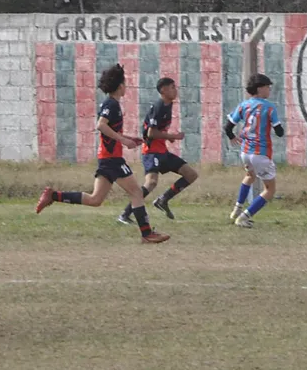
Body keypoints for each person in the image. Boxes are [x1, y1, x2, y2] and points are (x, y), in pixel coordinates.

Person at [35, 63, 170, 244]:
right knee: (137, 192)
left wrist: (130, 138)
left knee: (95, 199)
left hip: (107, 159)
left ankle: (53, 195)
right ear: (120, 86)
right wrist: (123, 141)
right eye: (125, 83)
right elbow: (101, 125)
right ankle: (147, 234)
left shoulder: (112, 104)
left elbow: (109, 130)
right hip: (112, 159)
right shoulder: (111, 104)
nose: (126, 86)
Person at [118, 77, 199, 224]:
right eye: (172, 87)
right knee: (151, 182)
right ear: (163, 90)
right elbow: (151, 133)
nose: (176, 90)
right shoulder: (159, 106)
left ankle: (163, 200)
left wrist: (168, 138)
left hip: (162, 152)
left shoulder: (168, 105)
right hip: (151, 152)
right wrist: (171, 136)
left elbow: (158, 132)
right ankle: (125, 214)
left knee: (191, 174)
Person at [224, 73, 284, 228]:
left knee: (249, 176)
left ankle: (237, 210)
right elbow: (279, 131)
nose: (269, 90)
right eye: (267, 87)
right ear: (259, 89)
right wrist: (279, 129)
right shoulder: (269, 107)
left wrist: (231, 136)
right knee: (270, 190)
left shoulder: (244, 105)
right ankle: (244, 216)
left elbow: (228, 126)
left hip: (245, 152)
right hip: (261, 153)